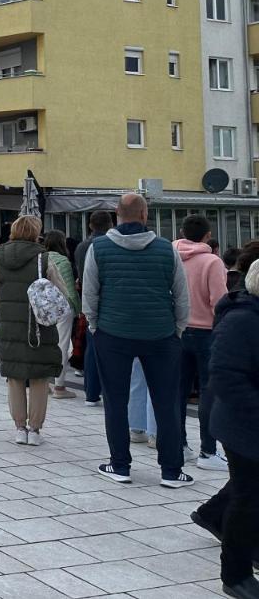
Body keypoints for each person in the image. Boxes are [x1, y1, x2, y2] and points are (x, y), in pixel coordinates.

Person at [83, 193, 192, 487]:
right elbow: (182, 296)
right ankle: (171, 471)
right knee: (166, 402)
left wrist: (96, 326)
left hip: (112, 333)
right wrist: (177, 330)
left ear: (117, 214)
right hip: (160, 335)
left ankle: (120, 466)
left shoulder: (99, 247)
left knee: (116, 402)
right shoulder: (165, 250)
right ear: (145, 215)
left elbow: (90, 294)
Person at [193, 245, 259, 599]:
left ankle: (227, 527)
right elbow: (225, 377)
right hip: (243, 426)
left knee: (249, 492)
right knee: (248, 496)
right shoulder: (242, 320)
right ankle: (235, 575)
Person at [0, 215, 64, 445]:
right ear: (35, 232)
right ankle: (35, 430)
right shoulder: (44, 259)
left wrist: (8, 310)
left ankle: (20, 428)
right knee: (40, 377)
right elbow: (58, 291)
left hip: (10, 326)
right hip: (39, 326)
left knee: (14, 376)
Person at [175, 214, 230, 471]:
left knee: (177, 391)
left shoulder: (172, 255)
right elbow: (219, 302)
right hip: (207, 332)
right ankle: (208, 450)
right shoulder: (212, 262)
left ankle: (178, 444)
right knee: (208, 391)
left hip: (177, 330)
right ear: (208, 235)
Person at [75, 210, 113, 407]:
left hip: (86, 300)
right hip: (108, 302)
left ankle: (91, 393)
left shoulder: (81, 247)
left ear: (90, 225)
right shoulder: (112, 245)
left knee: (90, 347)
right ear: (110, 225)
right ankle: (109, 392)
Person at [44, 230, 79, 399]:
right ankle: (59, 386)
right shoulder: (63, 260)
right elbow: (69, 289)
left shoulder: (41, 258)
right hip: (63, 307)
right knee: (62, 345)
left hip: (44, 307)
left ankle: (46, 383)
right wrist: (77, 307)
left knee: (46, 345)